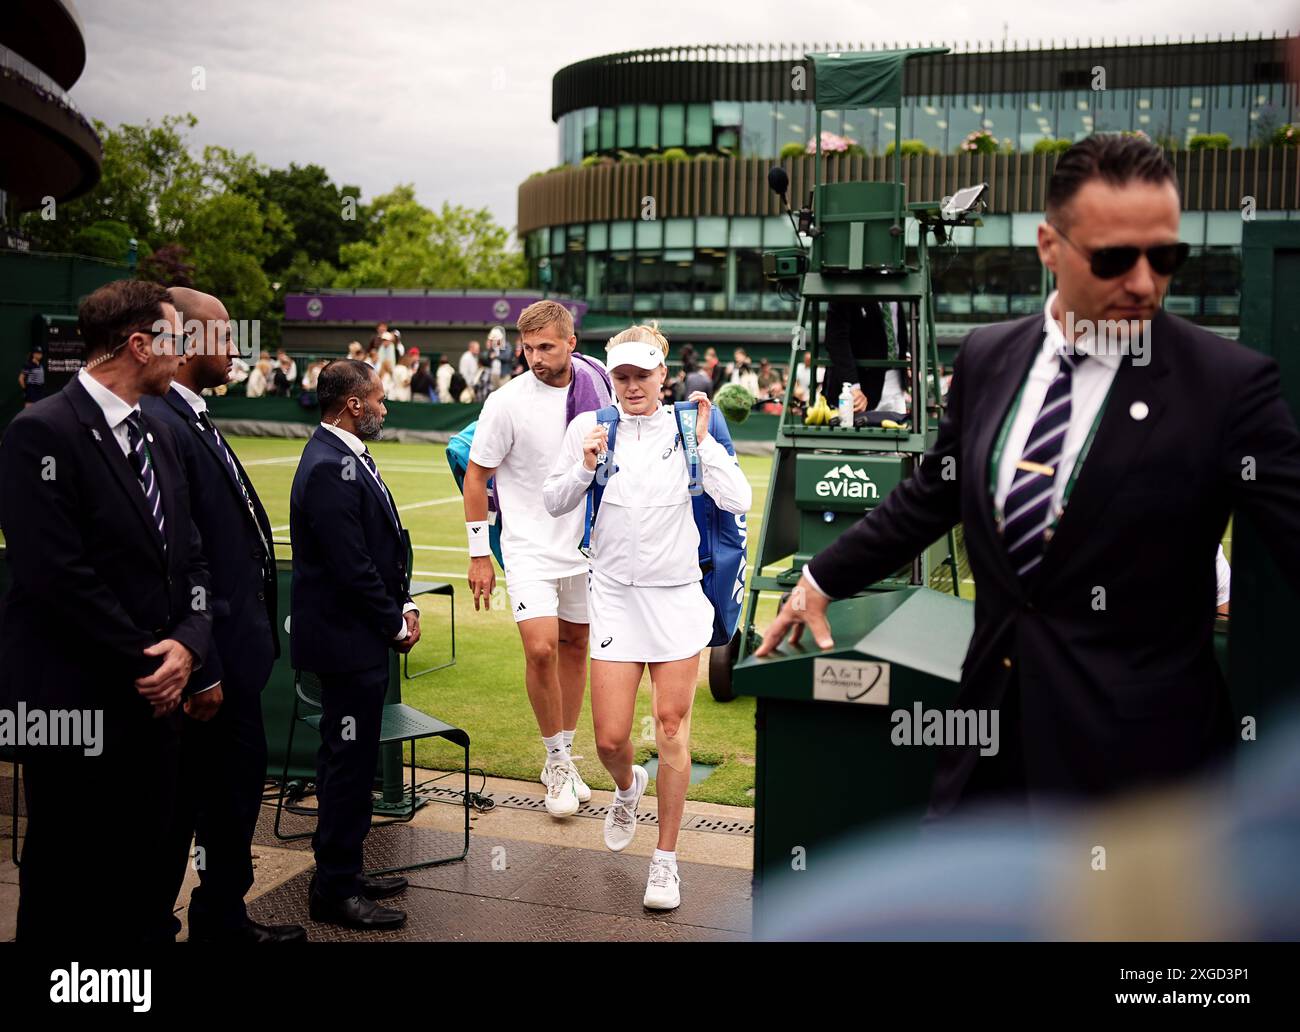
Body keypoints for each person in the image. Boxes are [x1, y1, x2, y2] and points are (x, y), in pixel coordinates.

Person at [758, 134, 1300, 814]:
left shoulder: (1227, 387)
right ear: (1050, 246)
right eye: (1112, 259)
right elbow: (934, 495)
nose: (1142, 282)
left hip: (1147, 793)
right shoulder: (990, 357)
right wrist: (819, 578)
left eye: (1165, 257)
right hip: (983, 764)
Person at [0, 280, 212, 944]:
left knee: (139, 877)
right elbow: (55, 577)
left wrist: (190, 644)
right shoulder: (40, 433)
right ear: (140, 344)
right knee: (65, 879)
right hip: (77, 706)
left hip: (155, 706)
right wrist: (152, 659)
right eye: (177, 339)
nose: (185, 352)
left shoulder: (161, 431)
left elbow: (193, 561)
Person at [542, 323, 751, 909]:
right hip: (612, 596)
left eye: (643, 374)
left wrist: (708, 445)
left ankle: (666, 860)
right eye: (623, 376)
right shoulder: (591, 427)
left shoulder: (692, 428)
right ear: (612, 378)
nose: (632, 385)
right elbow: (553, 500)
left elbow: (739, 500)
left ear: (664, 375)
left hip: (678, 597)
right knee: (610, 739)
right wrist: (584, 467)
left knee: (669, 728)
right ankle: (628, 786)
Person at [141, 287, 304, 944]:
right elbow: (177, 557)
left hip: (233, 661)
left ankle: (221, 920)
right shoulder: (163, 423)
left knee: (230, 804)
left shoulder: (193, 418)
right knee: (179, 808)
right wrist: (201, 661)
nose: (235, 345)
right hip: (206, 668)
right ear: (183, 345)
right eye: (222, 333)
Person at [289, 359, 420, 930]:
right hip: (346, 645)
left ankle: (345, 871)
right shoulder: (326, 465)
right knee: (346, 766)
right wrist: (394, 623)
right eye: (379, 399)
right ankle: (335, 889)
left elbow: (382, 544)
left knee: (353, 760)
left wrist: (406, 602)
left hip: (357, 640)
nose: (385, 409)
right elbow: (352, 566)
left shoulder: (343, 457)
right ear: (353, 405)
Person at [463, 300, 594, 817]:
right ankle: (556, 760)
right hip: (528, 548)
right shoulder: (506, 401)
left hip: (586, 547)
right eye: (528, 348)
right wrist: (479, 554)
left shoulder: (597, 386)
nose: (536, 357)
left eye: (546, 346)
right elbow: (477, 476)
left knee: (576, 644)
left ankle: (567, 751)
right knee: (541, 649)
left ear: (570, 344)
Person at [823, 300, 911, 416]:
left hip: (896, 383)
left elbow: (898, 334)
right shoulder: (845, 286)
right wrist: (853, 387)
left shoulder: (897, 289)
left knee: (899, 431)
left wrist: (906, 360)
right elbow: (836, 340)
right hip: (860, 387)